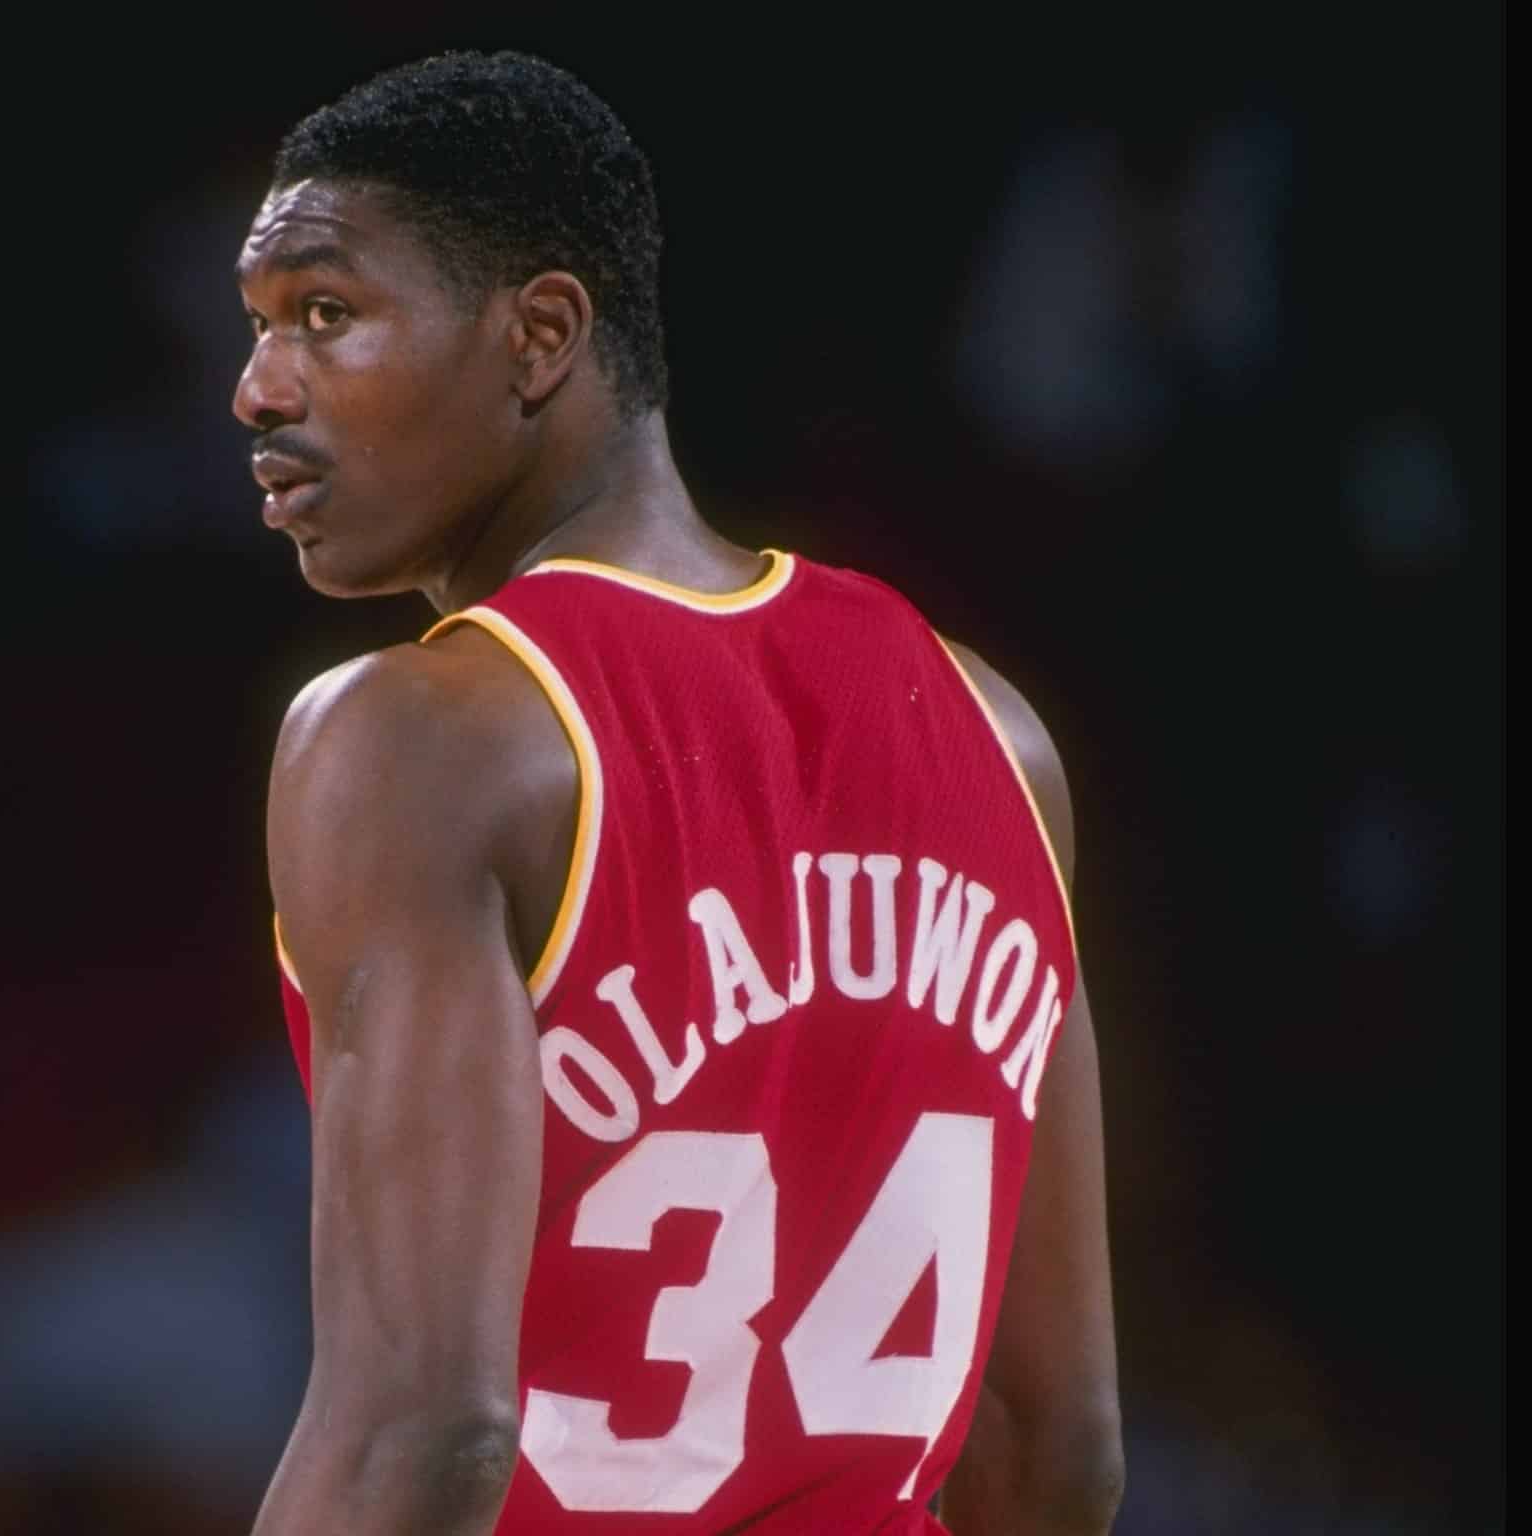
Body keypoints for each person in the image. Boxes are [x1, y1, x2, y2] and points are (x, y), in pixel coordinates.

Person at [233, 50, 1123, 1536]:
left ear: (540, 337)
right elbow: (1054, 1445)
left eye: (326, 316)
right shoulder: (997, 733)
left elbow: (423, 1432)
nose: (258, 389)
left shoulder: (424, 738)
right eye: (261, 329)